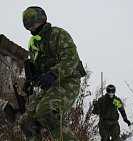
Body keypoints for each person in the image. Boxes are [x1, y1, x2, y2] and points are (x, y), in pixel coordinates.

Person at [20, 6, 82, 140]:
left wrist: (53, 73)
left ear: (41, 19)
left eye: (33, 23)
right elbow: (40, 73)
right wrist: (30, 82)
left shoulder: (57, 34)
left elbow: (72, 58)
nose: (31, 28)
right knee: (26, 121)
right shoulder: (33, 44)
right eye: (28, 25)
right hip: (51, 85)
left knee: (47, 111)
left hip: (68, 80)